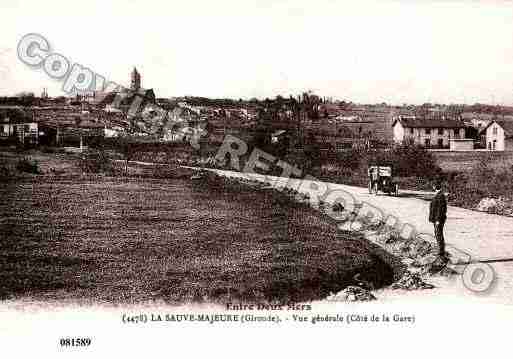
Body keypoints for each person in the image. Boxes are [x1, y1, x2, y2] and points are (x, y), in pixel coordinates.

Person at [429, 181, 448, 263]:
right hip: (436, 219)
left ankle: (441, 253)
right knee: (437, 234)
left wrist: (437, 220)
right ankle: (440, 251)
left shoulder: (440, 196)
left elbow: (441, 210)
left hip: (438, 220)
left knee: (438, 234)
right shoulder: (439, 195)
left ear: (435, 187)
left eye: (433, 186)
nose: (433, 187)